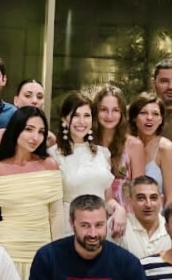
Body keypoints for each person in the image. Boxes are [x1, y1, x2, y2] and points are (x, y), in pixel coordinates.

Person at [0, 106, 66, 280]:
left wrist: (58, 255)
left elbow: (56, 216)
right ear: (16, 128)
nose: (35, 137)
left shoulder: (50, 166)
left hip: (43, 250)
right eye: (29, 129)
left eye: (41, 132)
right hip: (7, 252)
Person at [26, 195, 150, 280]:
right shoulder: (47, 258)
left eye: (99, 225)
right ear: (72, 224)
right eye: (85, 225)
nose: (93, 233)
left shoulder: (128, 263)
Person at [50, 92, 127, 237]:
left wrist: (119, 209)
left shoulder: (102, 153)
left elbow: (108, 199)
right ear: (64, 119)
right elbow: (53, 208)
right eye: (76, 115)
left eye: (86, 115)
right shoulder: (54, 155)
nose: (82, 121)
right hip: (69, 229)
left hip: (99, 229)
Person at [94, 84, 145, 207]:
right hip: (93, 209)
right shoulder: (88, 143)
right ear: (95, 112)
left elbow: (139, 188)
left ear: (122, 113)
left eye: (115, 110)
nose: (109, 116)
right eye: (104, 110)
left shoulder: (134, 145)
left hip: (125, 211)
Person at [0, 78, 56, 163]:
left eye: (39, 97)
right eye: (28, 95)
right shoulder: (0, 136)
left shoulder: (49, 138)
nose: (34, 101)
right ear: (16, 100)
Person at [127, 93, 172, 202]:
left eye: (155, 114)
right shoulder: (129, 146)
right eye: (143, 113)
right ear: (134, 117)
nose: (149, 118)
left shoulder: (166, 148)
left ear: (161, 120)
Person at [115, 176, 171, 259]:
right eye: (141, 198)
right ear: (130, 200)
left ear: (161, 200)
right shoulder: (119, 225)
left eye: (153, 198)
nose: (148, 204)